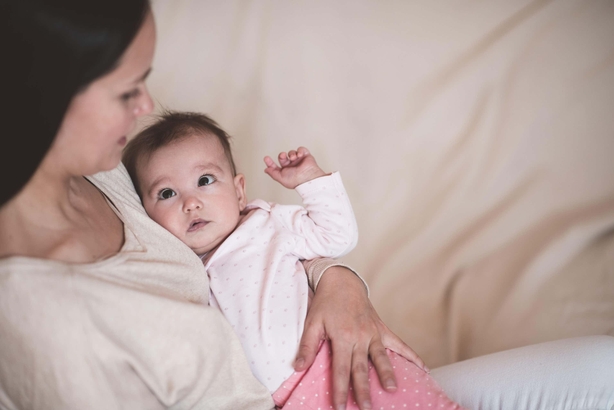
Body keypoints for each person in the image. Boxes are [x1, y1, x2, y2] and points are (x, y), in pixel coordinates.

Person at [1, 1, 613, 409]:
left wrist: (340, 284)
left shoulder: (108, 176)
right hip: (297, 394)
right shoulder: (45, 318)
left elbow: (310, 242)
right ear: (43, 93)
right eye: (125, 89)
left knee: (602, 369)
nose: (146, 107)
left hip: (343, 370)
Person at [121, 110, 464, 409]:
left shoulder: (268, 224)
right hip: (283, 400)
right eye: (166, 193)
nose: (190, 202)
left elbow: (337, 237)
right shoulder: (181, 271)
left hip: (340, 358)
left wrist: (311, 183)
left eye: (205, 181)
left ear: (239, 191)